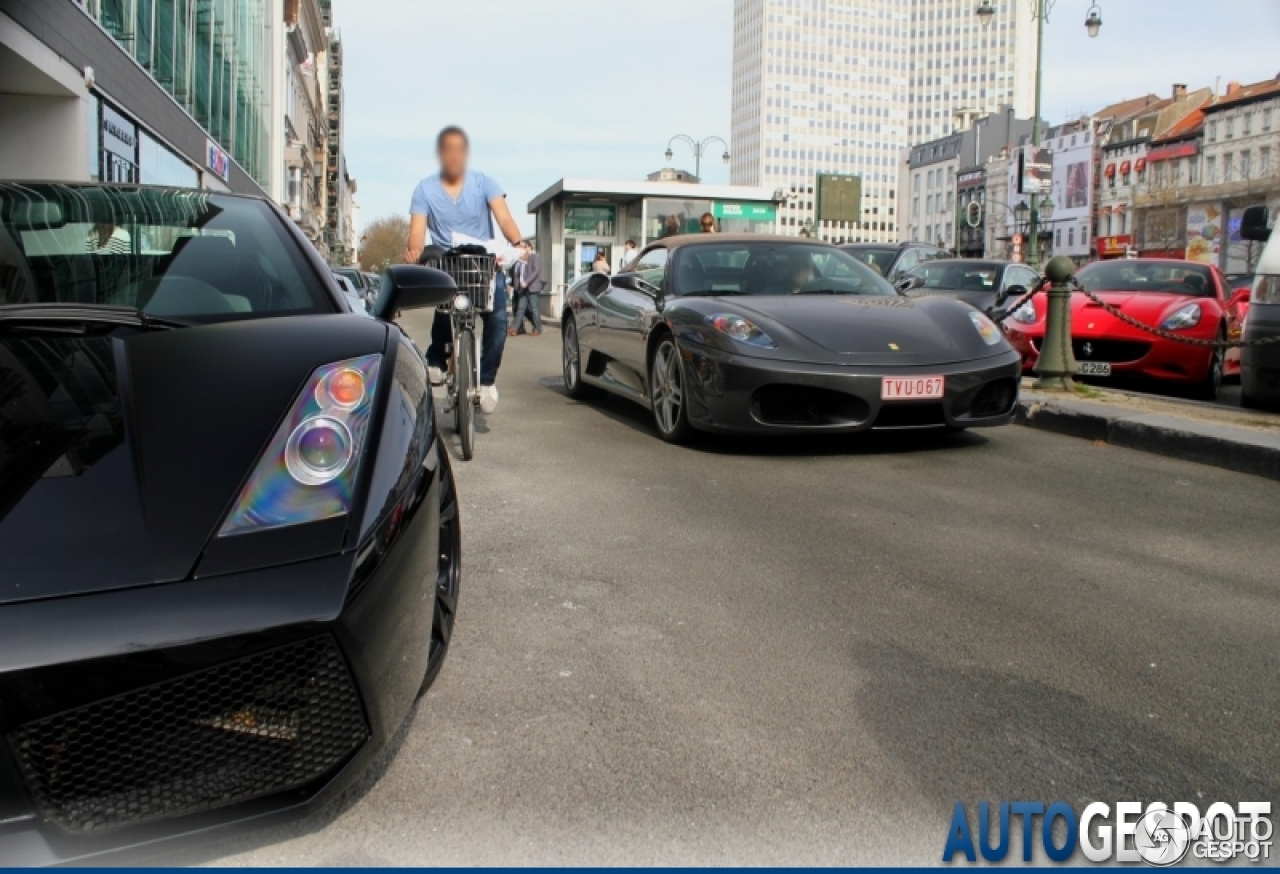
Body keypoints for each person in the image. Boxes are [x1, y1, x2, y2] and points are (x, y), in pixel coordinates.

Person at [405, 126, 523, 413]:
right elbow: (417, 231)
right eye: (448, 149)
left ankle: (487, 381)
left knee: (496, 319)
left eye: (460, 149)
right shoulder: (424, 189)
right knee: (444, 308)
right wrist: (414, 252)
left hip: (483, 264)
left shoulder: (485, 183)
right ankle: (436, 358)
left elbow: (504, 217)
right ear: (440, 154)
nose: (454, 155)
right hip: (448, 262)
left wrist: (518, 241)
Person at [512, 241, 544, 336]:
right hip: (523, 288)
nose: (523, 249)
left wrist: (526, 282)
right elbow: (518, 274)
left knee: (534, 309)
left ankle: (537, 329)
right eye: (522, 247)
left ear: (530, 247)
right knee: (520, 309)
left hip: (532, 287)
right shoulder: (522, 259)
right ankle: (515, 328)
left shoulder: (534, 257)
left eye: (525, 247)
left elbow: (536, 271)